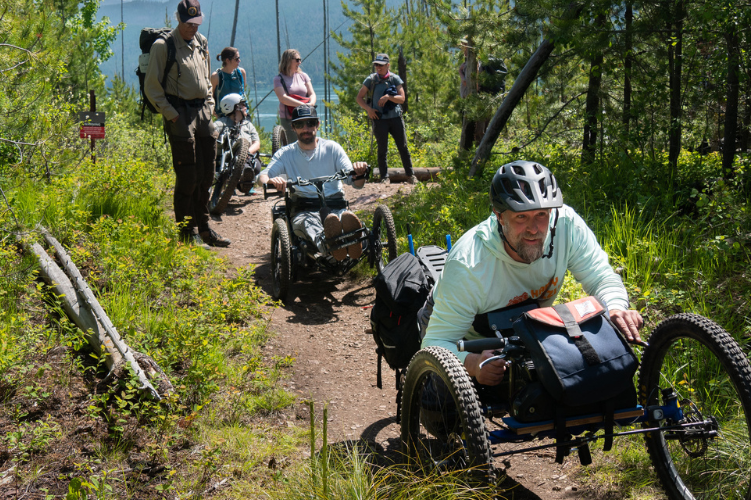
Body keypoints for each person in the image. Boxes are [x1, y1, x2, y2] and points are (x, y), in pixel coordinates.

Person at [421, 160, 644, 388]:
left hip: (524, 328)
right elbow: (435, 344)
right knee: (444, 405)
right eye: (521, 217)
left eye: (541, 215)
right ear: (499, 216)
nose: (534, 228)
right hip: (464, 337)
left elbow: (601, 277)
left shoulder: (566, 226)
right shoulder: (468, 263)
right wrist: (473, 363)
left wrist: (616, 307)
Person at [144, 0, 230, 247]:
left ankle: (204, 229)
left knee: (206, 175)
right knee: (188, 176)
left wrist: (211, 104)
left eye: (197, 23)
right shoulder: (164, 46)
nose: (193, 27)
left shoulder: (201, 42)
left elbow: (206, 77)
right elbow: (152, 87)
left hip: (203, 111)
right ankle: (187, 232)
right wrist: (171, 114)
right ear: (178, 20)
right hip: (179, 113)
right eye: (189, 23)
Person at [258, 105, 368, 261]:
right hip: (303, 209)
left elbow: (355, 182)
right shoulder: (286, 154)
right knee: (310, 224)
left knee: (341, 218)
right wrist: (271, 180)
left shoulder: (333, 149)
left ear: (317, 124)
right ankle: (331, 247)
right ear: (293, 128)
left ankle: (350, 243)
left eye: (310, 123)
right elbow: (262, 176)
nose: (305, 128)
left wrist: (359, 172)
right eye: (299, 124)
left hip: (336, 204)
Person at [355, 53, 416, 185]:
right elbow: (359, 98)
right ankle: (384, 177)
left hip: (395, 118)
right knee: (382, 149)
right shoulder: (371, 80)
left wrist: (388, 97)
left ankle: (410, 175)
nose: (378, 67)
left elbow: (402, 98)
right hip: (379, 119)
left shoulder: (395, 79)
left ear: (388, 65)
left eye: (381, 65)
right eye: (376, 65)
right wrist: (369, 110)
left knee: (403, 147)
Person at [210, 94, 261, 204]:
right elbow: (211, 133)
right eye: (242, 105)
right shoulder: (221, 123)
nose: (245, 107)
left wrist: (246, 153)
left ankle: (245, 176)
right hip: (225, 157)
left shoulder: (248, 125)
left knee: (254, 165)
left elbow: (256, 143)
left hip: (246, 157)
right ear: (233, 107)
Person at [273, 49, 316, 144]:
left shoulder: (303, 76)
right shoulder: (278, 79)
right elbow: (283, 98)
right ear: (288, 60)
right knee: (292, 144)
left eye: (300, 60)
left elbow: (312, 93)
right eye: (297, 60)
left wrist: (311, 104)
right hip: (289, 118)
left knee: (308, 142)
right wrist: (303, 105)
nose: (299, 62)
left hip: (306, 115)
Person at [211, 47, 247, 115]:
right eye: (236, 59)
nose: (239, 61)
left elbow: (242, 92)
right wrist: (214, 112)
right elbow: (210, 97)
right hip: (223, 115)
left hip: (240, 114)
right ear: (227, 60)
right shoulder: (216, 76)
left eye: (239, 58)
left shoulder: (241, 73)